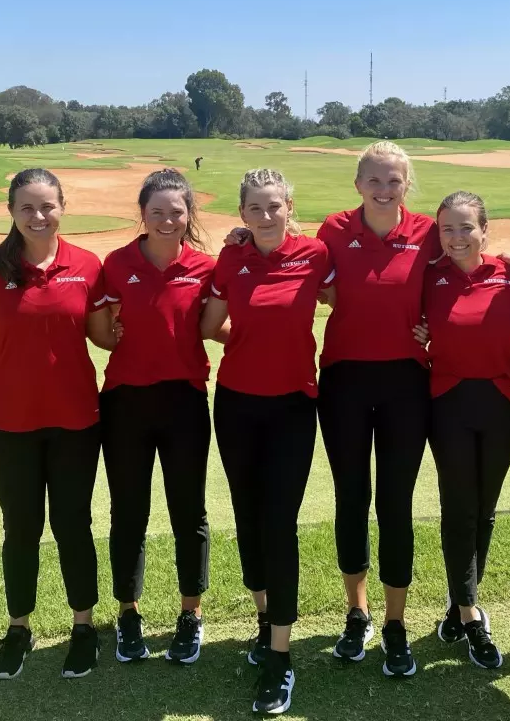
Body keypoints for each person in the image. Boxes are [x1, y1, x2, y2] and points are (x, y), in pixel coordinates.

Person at [0, 168, 117, 682]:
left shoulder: (86, 265)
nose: (38, 216)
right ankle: (19, 628)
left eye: (47, 205)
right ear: (11, 211)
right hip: (9, 424)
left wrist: (156, 319)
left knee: (74, 524)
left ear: (62, 207)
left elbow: (102, 337)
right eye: (26, 207)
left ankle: (83, 628)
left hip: (76, 421)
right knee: (21, 528)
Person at [200, 168, 334, 715]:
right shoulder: (231, 258)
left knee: (279, 523)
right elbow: (211, 324)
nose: (265, 216)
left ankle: (281, 655)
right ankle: (264, 613)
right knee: (248, 515)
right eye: (254, 208)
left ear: (289, 205)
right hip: (236, 403)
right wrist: (252, 340)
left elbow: (362, 299)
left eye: (274, 206)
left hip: (293, 406)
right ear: (242, 214)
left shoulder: (317, 254)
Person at [311, 140, 440, 676]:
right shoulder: (334, 229)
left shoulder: (429, 231)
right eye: (375, 180)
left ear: (406, 185)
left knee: (395, 500)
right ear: (358, 183)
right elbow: (309, 277)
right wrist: (245, 235)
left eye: (394, 181)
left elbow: (461, 274)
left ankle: (394, 622)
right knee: (351, 496)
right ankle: (356, 611)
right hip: (343, 378)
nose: (384, 190)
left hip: (406, 381)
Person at [99, 168, 220, 665]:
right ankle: (129, 613)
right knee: (129, 511)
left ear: (189, 215)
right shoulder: (116, 263)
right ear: (142, 215)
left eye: (177, 212)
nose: (168, 220)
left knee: (188, 512)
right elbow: (103, 333)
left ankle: (190, 614)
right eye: (157, 212)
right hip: (125, 401)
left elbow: (221, 323)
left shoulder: (207, 267)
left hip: (185, 401)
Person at [421, 191, 510, 671]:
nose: (457, 238)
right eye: (448, 229)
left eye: (467, 228)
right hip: (449, 402)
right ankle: (471, 615)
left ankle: (460, 602)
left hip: (503, 403)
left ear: (485, 229)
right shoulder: (430, 276)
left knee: (484, 511)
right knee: (459, 508)